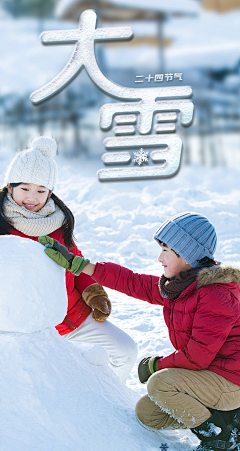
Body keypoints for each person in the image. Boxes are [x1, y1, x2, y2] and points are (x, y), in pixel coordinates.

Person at [39, 212, 240, 451]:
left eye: (166, 250)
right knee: (148, 414)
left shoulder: (215, 295)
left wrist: (157, 365)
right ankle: (227, 419)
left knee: (161, 383)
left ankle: (220, 437)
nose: (159, 258)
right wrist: (80, 265)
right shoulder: (181, 286)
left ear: (187, 254)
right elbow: (132, 282)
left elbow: (198, 356)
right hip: (208, 377)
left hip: (231, 382)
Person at [0, 136, 137, 382]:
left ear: (50, 192)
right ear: (10, 187)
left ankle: (111, 397)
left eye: (40, 190)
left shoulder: (57, 222)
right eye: (25, 189)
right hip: (24, 328)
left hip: (72, 316)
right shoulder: (2, 226)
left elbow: (76, 262)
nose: (32, 197)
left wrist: (93, 292)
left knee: (125, 351)